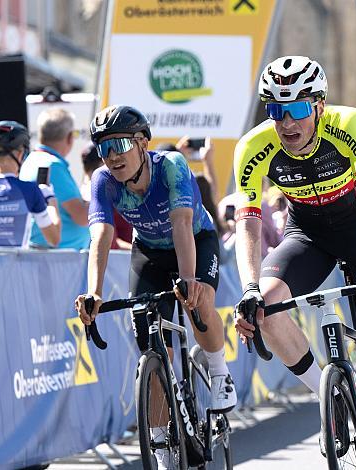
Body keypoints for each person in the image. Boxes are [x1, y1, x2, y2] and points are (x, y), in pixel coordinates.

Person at [233, 56, 356, 469]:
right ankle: (338, 395)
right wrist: (250, 286)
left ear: (319, 107)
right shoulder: (253, 147)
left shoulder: (347, 124)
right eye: (275, 110)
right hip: (307, 233)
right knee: (267, 308)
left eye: (296, 109)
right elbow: (248, 225)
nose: (286, 123)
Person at [73, 105, 236, 467]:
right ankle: (161, 441)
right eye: (104, 148)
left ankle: (219, 371)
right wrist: (94, 292)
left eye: (120, 145)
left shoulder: (171, 166)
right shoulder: (103, 181)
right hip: (147, 249)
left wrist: (189, 280)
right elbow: (100, 235)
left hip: (194, 239)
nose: (112, 156)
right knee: (149, 344)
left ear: (142, 142)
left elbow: (181, 224)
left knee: (199, 303)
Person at [0, 120, 60, 248]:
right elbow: (54, 239)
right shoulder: (30, 190)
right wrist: (50, 200)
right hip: (16, 268)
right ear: (21, 154)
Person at [20, 108, 90, 250]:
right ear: (69, 137)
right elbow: (82, 217)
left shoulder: (31, 161)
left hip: (49, 255)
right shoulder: (53, 165)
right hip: (59, 259)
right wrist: (100, 191)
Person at [80, 143, 133, 250]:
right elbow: (106, 238)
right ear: (102, 163)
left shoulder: (85, 190)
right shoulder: (97, 191)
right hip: (113, 259)